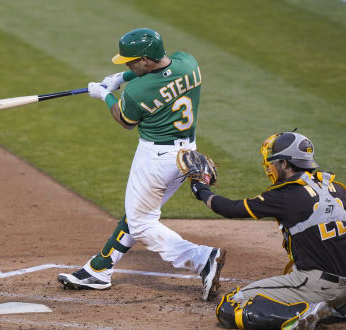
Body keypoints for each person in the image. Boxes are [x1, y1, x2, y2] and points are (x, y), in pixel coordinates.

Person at [57, 28, 226, 301]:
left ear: (146, 60)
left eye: (131, 61)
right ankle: (99, 269)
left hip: (156, 159)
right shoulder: (188, 62)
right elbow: (157, 74)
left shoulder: (137, 92)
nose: (127, 65)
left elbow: (125, 120)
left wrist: (105, 94)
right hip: (187, 156)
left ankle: (202, 259)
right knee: (139, 211)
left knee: (141, 224)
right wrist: (120, 77)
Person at [188, 131, 346, 329]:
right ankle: (337, 310)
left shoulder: (285, 195)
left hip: (318, 285)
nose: (271, 166)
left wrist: (201, 188)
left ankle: (305, 314)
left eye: (275, 162)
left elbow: (229, 208)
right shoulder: (336, 188)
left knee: (232, 304)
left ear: (286, 164)